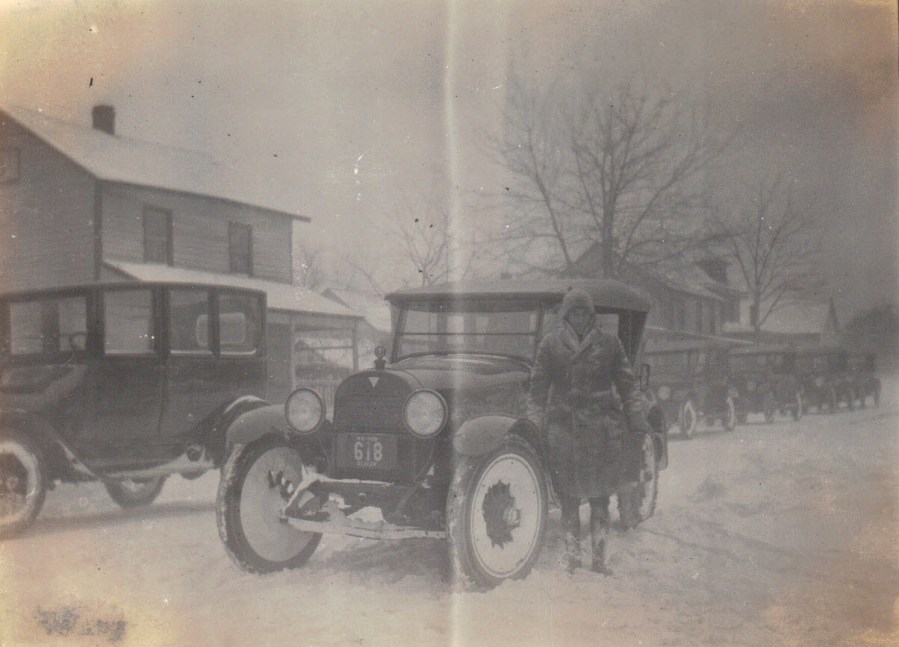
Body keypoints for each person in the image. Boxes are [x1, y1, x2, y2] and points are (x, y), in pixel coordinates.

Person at [527, 287, 650, 575]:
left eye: (584, 312)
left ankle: (598, 559)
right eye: (574, 312)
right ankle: (571, 558)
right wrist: (533, 425)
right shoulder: (550, 345)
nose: (579, 317)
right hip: (563, 434)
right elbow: (537, 392)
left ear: (592, 315)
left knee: (599, 498)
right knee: (568, 499)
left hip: (601, 432)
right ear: (566, 315)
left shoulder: (609, 344)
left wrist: (636, 417)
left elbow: (627, 386)